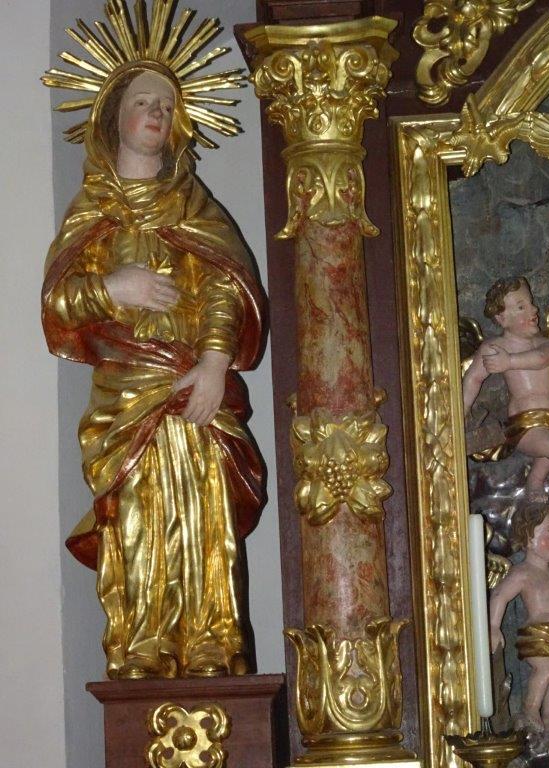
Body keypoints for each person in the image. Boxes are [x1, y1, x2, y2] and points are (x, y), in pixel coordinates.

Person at [42, 64, 265, 679]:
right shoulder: (93, 209)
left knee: (202, 509)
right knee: (137, 512)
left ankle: (211, 638)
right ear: (114, 116)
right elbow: (58, 303)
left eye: (167, 106)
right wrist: (113, 287)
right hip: (125, 388)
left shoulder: (193, 206)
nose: (157, 114)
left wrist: (215, 363)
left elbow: (223, 286)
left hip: (192, 381)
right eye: (144, 102)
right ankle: (143, 640)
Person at [462, 276, 549, 494]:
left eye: (531, 303)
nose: (533, 309)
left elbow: (542, 358)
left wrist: (509, 362)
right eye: (521, 307)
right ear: (502, 318)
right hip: (524, 425)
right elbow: (473, 378)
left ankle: (534, 484)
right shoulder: (495, 347)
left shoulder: (545, 344)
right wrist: (463, 409)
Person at [489, 503, 549, 731]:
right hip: (537, 634)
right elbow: (500, 595)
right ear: (529, 538)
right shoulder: (523, 573)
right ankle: (530, 710)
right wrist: (493, 626)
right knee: (545, 671)